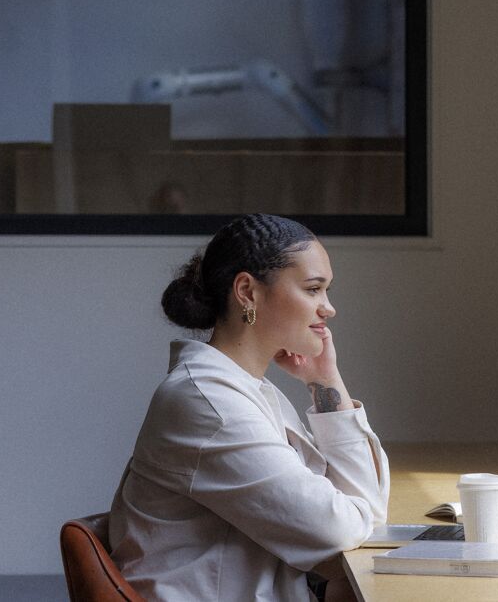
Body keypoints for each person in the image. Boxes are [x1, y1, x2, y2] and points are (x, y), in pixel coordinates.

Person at [108, 213, 390, 602]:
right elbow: (338, 529)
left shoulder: (246, 391)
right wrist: (354, 517)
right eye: (313, 289)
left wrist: (325, 381)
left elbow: (366, 513)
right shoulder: (209, 404)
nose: (328, 308)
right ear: (247, 291)